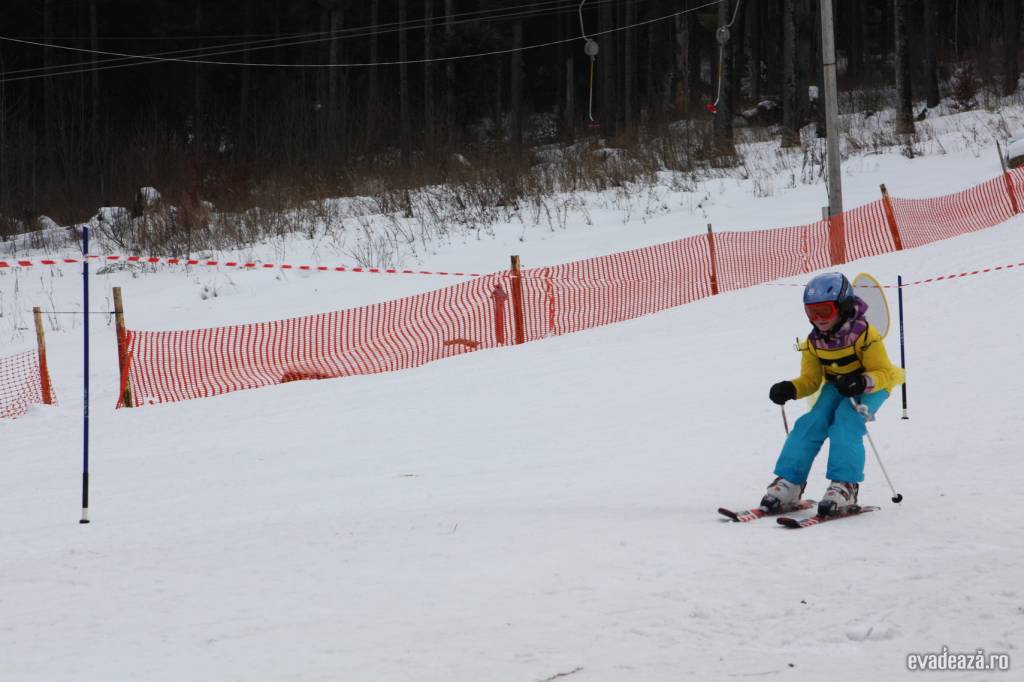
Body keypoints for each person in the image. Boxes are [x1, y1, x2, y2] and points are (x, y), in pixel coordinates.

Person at [761, 272, 905, 516]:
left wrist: (862, 381)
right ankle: (790, 483)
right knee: (811, 423)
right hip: (837, 386)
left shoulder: (864, 335)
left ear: (843, 306)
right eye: (811, 312)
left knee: (846, 422)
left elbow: (883, 372)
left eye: (824, 311)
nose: (818, 319)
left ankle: (845, 485)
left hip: (871, 386)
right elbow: (811, 381)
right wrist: (791, 388)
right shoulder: (814, 342)